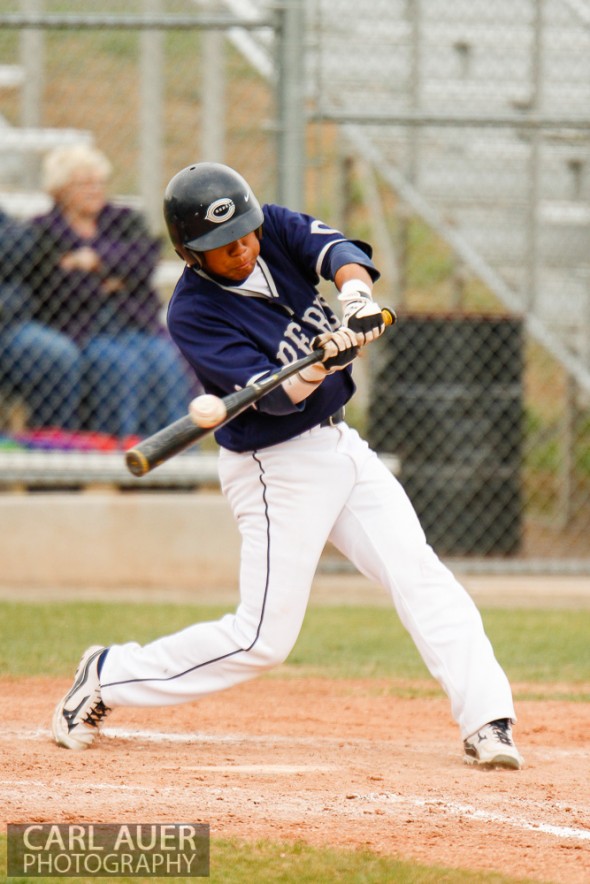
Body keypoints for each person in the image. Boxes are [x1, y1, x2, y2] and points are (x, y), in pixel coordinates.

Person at [52, 162, 523, 770]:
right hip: (275, 467)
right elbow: (275, 399)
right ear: (190, 254)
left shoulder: (269, 227)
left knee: (421, 576)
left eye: (244, 236)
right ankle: (109, 674)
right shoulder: (193, 313)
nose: (242, 250)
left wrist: (354, 297)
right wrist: (320, 362)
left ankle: (487, 719)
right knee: (262, 639)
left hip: (341, 446)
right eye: (222, 249)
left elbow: (337, 251)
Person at [24, 144, 193, 438]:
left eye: (99, 182)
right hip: (83, 328)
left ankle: (176, 457)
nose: (95, 190)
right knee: (120, 367)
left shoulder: (122, 219)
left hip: (134, 324)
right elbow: (60, 287)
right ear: (60, 189)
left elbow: (145, 258)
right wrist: (117, 275)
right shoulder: (42, 229)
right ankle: (123, 459)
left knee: (167, 362)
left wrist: (93, 260)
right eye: (84, 183)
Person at [0, 208, 82, 430]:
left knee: (58, 355)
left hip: (7, 326)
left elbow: (23, 241)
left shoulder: (7, 223)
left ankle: (52, 447)